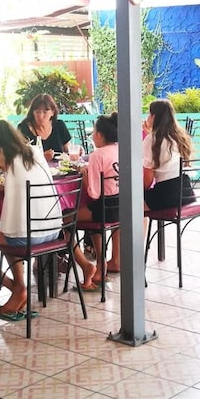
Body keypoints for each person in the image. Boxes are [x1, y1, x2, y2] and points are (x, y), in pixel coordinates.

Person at [0, 120, 62, 321]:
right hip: (53, 229)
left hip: (28, 234)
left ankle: (16, 288)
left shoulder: (0, 153)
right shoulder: (34, 151)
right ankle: (19, 288)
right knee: (8, 234)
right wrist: (3, 186)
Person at [75, 112, 121, 287]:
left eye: (93, 132)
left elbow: (94, 193)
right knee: (92, 219)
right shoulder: (122, 149)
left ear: (100, 135)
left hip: (105, 209)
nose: (92, 135)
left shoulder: (97, 155)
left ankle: (87, 265)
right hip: (122, 208)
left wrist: (84, 175)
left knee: (63, 221)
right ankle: (101, 266)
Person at [143, 99, 195, 210]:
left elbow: (148, 180)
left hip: (166, 196)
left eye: (149, 113)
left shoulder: (151, 140)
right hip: (185, 193)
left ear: (154, 116)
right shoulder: (180, 137)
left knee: (131, 204)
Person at [17, 94, 71, 161]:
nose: (41, 116)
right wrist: (41, 158)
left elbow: (68, 149)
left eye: (45, 112)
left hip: (60, 167)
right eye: (37, 112)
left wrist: (77, 150)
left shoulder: (59, 125)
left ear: (53, 112)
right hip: (35, 167)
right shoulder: (24, 128)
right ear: (32, 112)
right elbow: (19, 156)